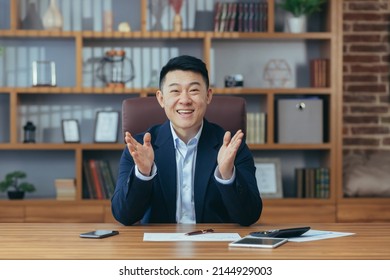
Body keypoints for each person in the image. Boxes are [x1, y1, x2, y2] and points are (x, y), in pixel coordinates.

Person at [111, 55, 262, 226]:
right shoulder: (139, 148)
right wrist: (143, 174)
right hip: (158, 249)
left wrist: (227, 175)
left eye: (194, 90)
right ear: (161, 98)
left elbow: (249, 215)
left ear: (208, 96)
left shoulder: (232, 148)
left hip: (215, 248)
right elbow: (123, 215)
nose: (184, 100)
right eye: (175, 91)